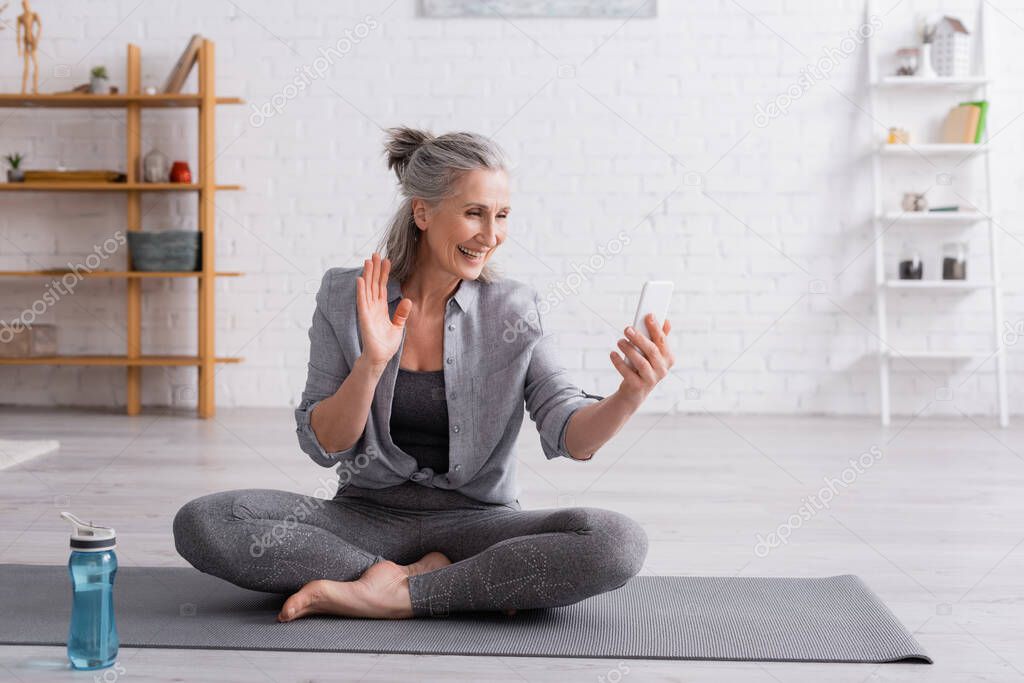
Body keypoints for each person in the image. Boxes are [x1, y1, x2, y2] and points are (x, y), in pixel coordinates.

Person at [173, 127, 675, 621]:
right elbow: (325, 445)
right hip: (365, 517)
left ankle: (395, 592)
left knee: (616, 542)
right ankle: (430, 581)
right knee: (207, 521)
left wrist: (629, 395)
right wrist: (371, 362)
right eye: (474, 213)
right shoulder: (345, 296)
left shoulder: (515, 309)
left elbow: (569, 432)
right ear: (423, 212)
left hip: (478, 523)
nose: (491, 235)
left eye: (501, 216)